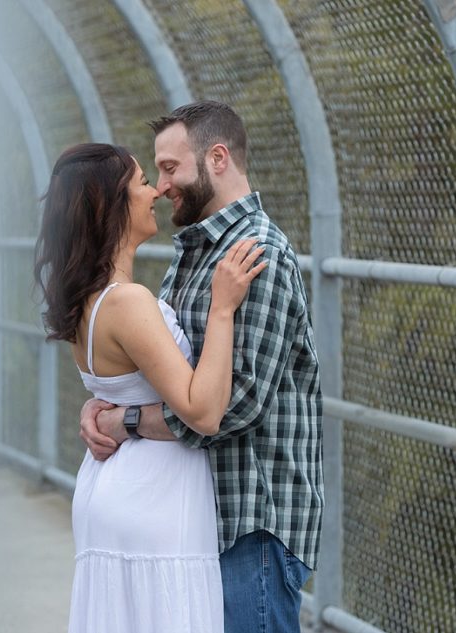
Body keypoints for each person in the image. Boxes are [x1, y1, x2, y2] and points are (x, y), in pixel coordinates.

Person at [81, 100, 324, 633]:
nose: (162, 185)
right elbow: (166, 372)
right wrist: (103, 403)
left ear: (217, 158)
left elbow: (234, 406)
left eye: (170, 168)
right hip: (194, 524)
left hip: (250, 527)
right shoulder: (193, 253)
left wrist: (123, 423)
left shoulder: (258, 254)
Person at [33, 142, 267, 633]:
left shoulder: (90, 304)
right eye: (141, 182)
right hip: (155, 500)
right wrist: (222, 309)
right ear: (111, 206)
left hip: (113, 489)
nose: (156, 191)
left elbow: (121, 388)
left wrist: (107, 414)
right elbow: (202, 412)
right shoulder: (127, 301)